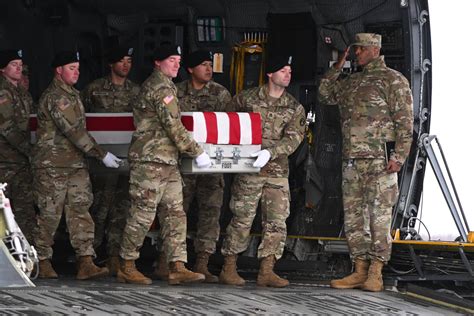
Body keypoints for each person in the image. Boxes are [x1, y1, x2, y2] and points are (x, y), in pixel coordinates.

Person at [318, 33, 414, 292]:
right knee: (354, 218)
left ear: (373, 49)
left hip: (379, 161)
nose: (356, 53)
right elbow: (325, 94)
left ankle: (376, 271)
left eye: (359, 49)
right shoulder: (351, 82)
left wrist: (399, 156)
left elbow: (405, 121)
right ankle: (358, 268)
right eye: (355, 50)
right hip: (351, 161)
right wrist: (338, 66)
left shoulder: (392, 79)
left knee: (379, 216)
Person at [117, 45, 212, 285]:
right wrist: (196, 151)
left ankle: (177, 265)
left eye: (178, 60)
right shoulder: (160, 88)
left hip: (166, 160)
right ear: (158, 62)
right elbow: (173, 126)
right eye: (172, 60)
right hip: (151, 161)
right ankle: (127, 264)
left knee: (175, 213)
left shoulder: (166, 86)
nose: (176, 64)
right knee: (143, 213)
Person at [32, 50, 122, 280]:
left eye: (78, 68)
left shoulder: (72, 95)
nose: (76, 72)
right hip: (53, 166)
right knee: (50, 214)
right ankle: (41, 260)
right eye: (71, 68)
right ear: (58, 70)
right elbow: (74, 131)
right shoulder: (56, 97)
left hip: (74, 164)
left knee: (81, 211)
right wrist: (101, 155)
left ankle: (85, 261)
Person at [219, 55, 305, 288]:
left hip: (277, 172)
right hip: (248, 170)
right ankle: (229, 267)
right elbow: (226, 121)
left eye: (289, 70)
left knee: (277, 222)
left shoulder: (293, 106)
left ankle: (267, 270)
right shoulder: (246, 99)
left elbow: (295, 137)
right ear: (270, 74)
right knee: (241, 219)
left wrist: (272, 151)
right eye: (283, 70)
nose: (288, 74)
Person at [152, 50, 232, 283]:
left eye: (210, 64)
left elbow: (228, 126)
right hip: (182, 164)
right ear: (190, 69)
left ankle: (203, 263)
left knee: (210, 212)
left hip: (211, 165)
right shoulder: (175, 91)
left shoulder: (220, 94)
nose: (208, 69)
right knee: (175, 212)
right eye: (203, 65)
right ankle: (167, 261)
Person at [81, 45, 140, 276]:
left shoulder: (137, 91)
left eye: (129, 60)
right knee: (97, 209)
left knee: (121, 210)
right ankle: (89, 257)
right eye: (121, 60)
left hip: (125, 163)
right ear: (111, 64)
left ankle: (115, 256)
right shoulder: (93, 89)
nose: (126, 65)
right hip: (99, 163)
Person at [0, 49, 36, 244]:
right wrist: (31, 150)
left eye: (20, 65)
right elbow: (7, 128)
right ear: (3, 69)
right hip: (5, 163)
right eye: (14, 64)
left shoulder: (22, 94)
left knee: (25, 211)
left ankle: (26, 253)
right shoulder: (3, 92)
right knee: (5, 212)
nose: (18, 68)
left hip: (21, 164)